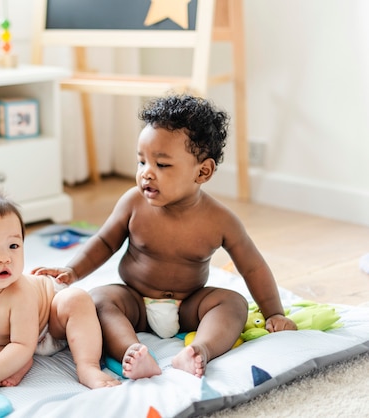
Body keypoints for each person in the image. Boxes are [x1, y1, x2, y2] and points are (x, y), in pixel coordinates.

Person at [32, 94, 297, 379]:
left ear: (203, 172)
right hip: (135, 301)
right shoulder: (133, 203)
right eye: (141, 162)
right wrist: (72, 271)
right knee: (98, 301)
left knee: (233, 304)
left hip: (189, 304)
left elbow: (252, 266)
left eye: (162, 165)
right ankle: (132, 352)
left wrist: (274, 313)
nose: (147, 173)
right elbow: (105, 242)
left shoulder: (220, 220)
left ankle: (199, 351)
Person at [0, 189, 120, 396]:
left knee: (76, 299)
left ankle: (88, 367)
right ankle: (16, 363)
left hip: (51, 325)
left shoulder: (20, 291)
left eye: (13, 245)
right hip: (9, 341)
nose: (5, 258)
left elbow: (23, 343)